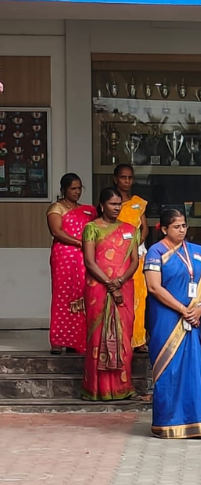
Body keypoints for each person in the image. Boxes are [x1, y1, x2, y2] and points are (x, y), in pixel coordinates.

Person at [144, 208, 201, 439]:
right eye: (177, 226)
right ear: (165, 229)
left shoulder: (197, 252)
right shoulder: (156, 252)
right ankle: (168, 423)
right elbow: (154, 287)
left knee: (192, 368)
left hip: (193, 317)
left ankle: (196, 421)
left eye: (184, 225)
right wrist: (183, 310)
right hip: (166, 318)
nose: (182, 230)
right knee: (169, 369)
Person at [81, 188, 140, 401]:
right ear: (102, 205)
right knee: (98, 338)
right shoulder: (91, 228)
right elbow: (89, 261)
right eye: (113, 204)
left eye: (119, 204)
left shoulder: (130, 229)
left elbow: (135, 261)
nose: (117, 208)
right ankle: (98, 389)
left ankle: (123, 387)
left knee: (124, 338)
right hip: (98, 288)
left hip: (124, 288)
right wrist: (110, 284)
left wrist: (120, 282)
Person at [47, 173, 97, 355]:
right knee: (63, 295)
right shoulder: (56, 208)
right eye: (73, 188)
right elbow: (56, 231)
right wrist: (78, 242)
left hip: (84, 256)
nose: (77, 192)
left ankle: (76, 340)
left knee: (82, 294)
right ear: (64, 190)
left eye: (79, 188)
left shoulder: (87, 210)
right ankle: (58, 340)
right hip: (64, 256)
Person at [112, 164, 149, 351]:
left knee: (139, 296)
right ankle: (120, 338)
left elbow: (145, 229)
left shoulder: (138, 203)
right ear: (115, 179)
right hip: (114, 256)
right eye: (123, 177)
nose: (127, 181)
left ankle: (139, 339)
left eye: (130, 177)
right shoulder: (111, 203)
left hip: (136, 256)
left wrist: (133, 247)